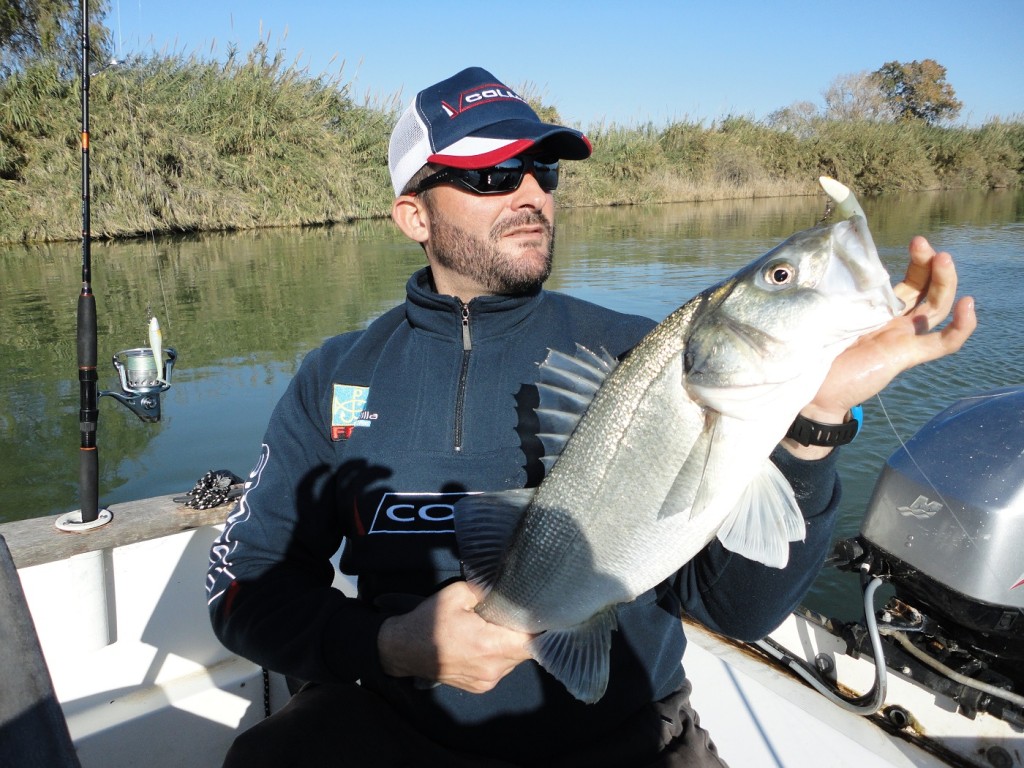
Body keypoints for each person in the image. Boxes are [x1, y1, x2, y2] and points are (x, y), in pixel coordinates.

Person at [206, 66, 976, 767]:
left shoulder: (631, 353)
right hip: (397, 721)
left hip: (625, 736)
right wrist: (389, 644)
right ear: (413, 214)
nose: (531, 192)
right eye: (493, 173)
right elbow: (244, 590)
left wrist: (817, 414)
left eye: (542, 168)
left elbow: (736, 610)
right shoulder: (337, 374)